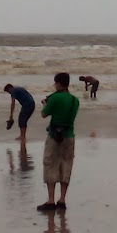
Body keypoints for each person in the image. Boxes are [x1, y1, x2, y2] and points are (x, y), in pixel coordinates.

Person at [37, 71, 79, 212]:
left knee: (50, 165)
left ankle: (51, 200)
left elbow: (44, 114)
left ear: (59, 83)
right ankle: (62, 200)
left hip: (54, 136)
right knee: (66, 166)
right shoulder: (75, 100)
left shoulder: (55, 98)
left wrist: (45, 104)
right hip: (69, 135)